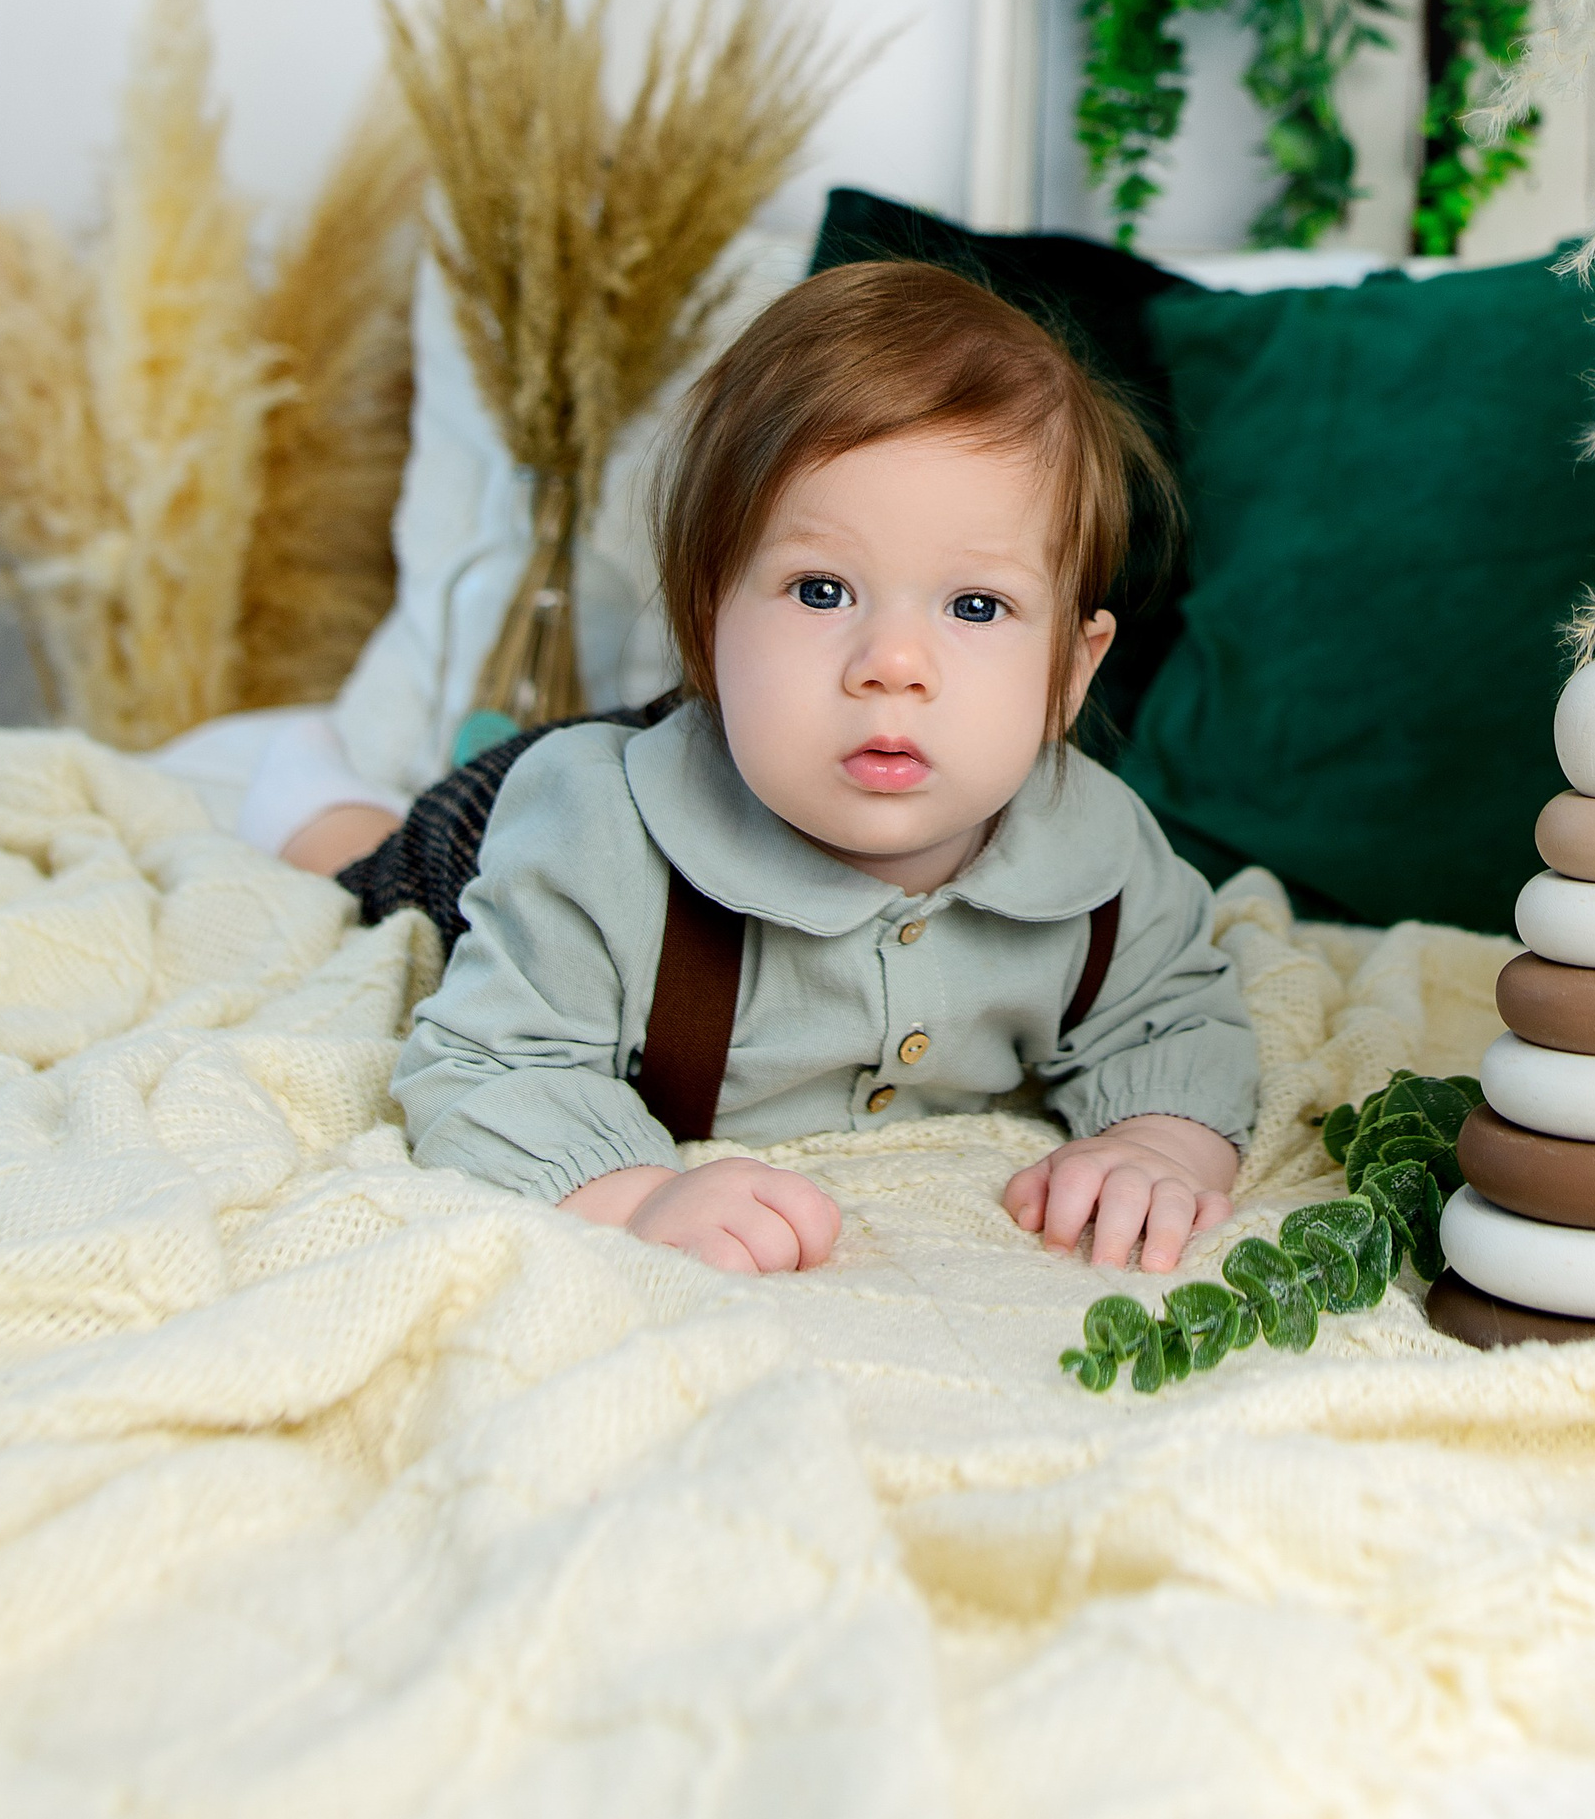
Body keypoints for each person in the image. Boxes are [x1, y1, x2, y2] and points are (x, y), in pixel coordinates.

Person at [390, 261, 1255, 1278]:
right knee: (366, 866)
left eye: (976, 606)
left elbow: (1179, 1019)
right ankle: (327, 804)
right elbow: (488, 1061)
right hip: (484, 826)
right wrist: (636, 1197)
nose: (891, 664)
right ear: (708, 627)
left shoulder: (1101, 861)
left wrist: (1154, 1144)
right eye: (820, 590)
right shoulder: (590, 837)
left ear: (1069, 672)